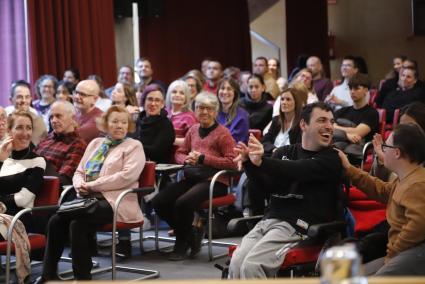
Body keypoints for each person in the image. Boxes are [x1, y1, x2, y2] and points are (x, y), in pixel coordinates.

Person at [229, 102, 343, 279]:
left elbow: (299, 169)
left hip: (300, 227)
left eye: (331, 121)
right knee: (236, 263)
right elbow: (267, 187)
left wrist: (263, 162)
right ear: (303, 125)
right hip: (269, 221)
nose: (329, 126)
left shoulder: (332, 159)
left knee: (252, 266)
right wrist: (248, 164)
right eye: (322, 120)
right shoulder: (284, 152)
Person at [38, 106, 145, 281]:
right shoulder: (96, 143)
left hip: (116, 202)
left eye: (124, 122)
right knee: (56, 220)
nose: (120, 126)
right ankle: (48, 274)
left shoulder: (134, 146)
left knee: (77, 224)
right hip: (87, 201)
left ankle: (83, 276)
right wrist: (80, 183)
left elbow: (126, 177)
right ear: (105, 124)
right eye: (115, 121)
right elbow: (79, 171)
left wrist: (92, 186)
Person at [152, 92, 237, 260]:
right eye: (200, 108)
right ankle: (191, 232)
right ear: (195, 110)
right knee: (159, 201)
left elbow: (232, 162)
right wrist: (187, 159)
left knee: (182, 203)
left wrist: (204, 158)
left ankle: (181, 243)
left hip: (215, 181)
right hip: (192, 177)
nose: (204, 112)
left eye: (208, 108)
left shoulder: (223, 133)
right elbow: (180, 152)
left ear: (215, 111)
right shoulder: (193, 130)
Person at [337, 123, 425, 276]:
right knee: (350, 274)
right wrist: (349, 168)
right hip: (399, 253)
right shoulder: (408, 178)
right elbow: (382, 190)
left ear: (397, 153)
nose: (382, 150)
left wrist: (393, 254)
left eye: (386, 146)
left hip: (410, 255)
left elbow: (417, 226)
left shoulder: (417, 184)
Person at [0, 111, 46, 227]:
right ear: (9, 131)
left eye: (29, 128)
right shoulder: (2, 158)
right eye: (19, 127)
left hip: (18, 218)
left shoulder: (38, 161)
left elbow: (23, 199)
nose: (25, 133)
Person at [370, 101, 425, 181]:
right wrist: (381, 160)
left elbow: (409, 185)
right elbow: (377, 182)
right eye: (401, 126)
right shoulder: (393, 146)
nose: (404, 131)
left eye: (410, 126)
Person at [35, 101, 86, 186]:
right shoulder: (48, 137)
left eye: (58, 116)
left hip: (46, 191)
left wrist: (41, 163)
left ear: (73, 118)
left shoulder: (78, 145)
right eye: (51, 117)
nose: (53, 121)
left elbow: (62, 181)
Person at [333, 73, 379, 162]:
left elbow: (357, 132)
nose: (352, 92)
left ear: (366, 90)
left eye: (356, 88)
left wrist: (336, 128)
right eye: (350, 88)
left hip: (356, 152)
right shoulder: (341, 111)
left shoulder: (372, 113)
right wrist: (347, 135)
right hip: (338, 147)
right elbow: (329, 127)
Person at [133, 84, 175, 163]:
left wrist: (133, 146)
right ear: (143, 101)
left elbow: (157, 152)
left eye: (157, 100)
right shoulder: (138, 120)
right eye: (150, 99)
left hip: (157, 168)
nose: (153, 104)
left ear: (162, 104)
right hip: (134, 162)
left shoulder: (166, 124)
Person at [262, 86, 307, 156]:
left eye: (288, 99)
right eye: (282, 99)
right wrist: (274, 149)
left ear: (296, 103)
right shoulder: (276, 120)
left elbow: (299, 147)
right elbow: (265, 141)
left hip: (289, 161)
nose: (284, 102)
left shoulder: (301, 123)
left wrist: (280, 152)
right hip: (272, 157)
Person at [6, 80, 47, 145]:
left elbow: (32, 146)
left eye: (27, 97)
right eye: (19, 97)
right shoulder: (6, 115)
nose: (24, 100)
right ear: (11, 100)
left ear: (30, 99)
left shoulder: (37, 120)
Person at [217, 78, 249, 143]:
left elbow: (235, 143)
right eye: (222, 88)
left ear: (235, 93)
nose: (225, 92)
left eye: (229, 89)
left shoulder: (242, 116)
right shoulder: (212, 113)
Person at [165, 80, 197, 146]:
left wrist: (171, 140)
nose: (177, 95)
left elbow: (194, 140)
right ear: (169, 94)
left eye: (182, 93)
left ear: (186, 97)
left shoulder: (190, 117)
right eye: (174, 92)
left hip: (179, 153)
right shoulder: (163, 112)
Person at [73, 80, 104, 144]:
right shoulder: (75, 113)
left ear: (95, 99)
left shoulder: (99, 119)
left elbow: (72, 138)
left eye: (82, 94)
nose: (76, 97)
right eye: (76, 92)